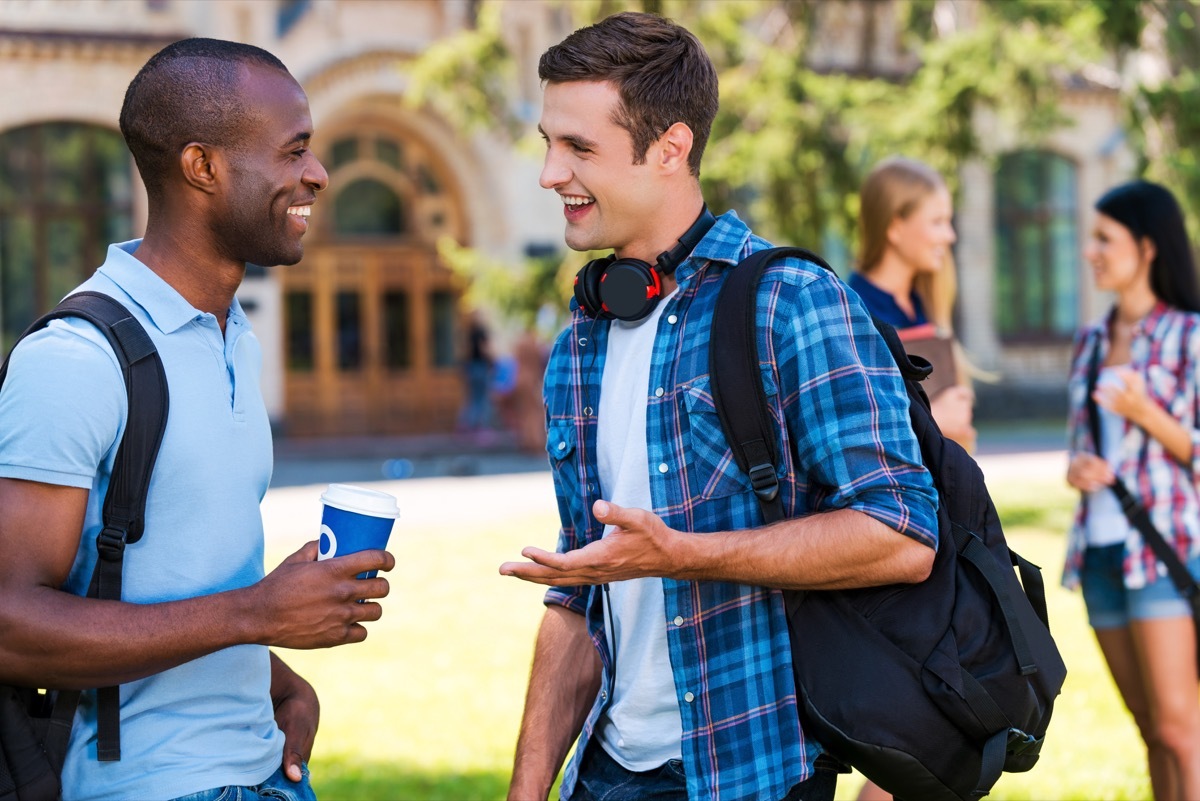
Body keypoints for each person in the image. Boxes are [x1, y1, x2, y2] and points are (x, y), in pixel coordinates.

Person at [499, 12, 939, 801]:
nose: (548, 172)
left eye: (578, 148)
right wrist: (529, 788)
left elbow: (901, 532)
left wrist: (681, 553)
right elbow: (579, 592)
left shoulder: (790, 302)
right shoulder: (580, 342)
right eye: (547, 142)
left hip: (748, 775)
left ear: (670, 147)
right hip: (603, 773)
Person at [0, 38, 394, 801]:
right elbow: (10, 622)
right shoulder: (78, 359)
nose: (317, 172)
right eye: (294, 150)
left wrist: (277, 681)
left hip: (266, 773)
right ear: (202, 166)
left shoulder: (230, 334)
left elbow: (168, 581)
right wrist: (255, 612)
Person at [1063, 179, 1200, 801]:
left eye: (1104, 238)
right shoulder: (1091, 341)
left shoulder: (1188, 335)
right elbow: (1085, 447)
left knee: (1179, 727)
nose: (1091, 250)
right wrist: (1079, 469)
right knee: (1148, 728)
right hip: (1099, 551)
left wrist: (1150, 415)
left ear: (1146, 247)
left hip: (1164, 553)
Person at [850, 156, 976, 453]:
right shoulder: (853, 312)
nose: (950, 235)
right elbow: (856, 430)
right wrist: (934, 420)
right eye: (937, 222)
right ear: (895, 227)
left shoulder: (926, 305)